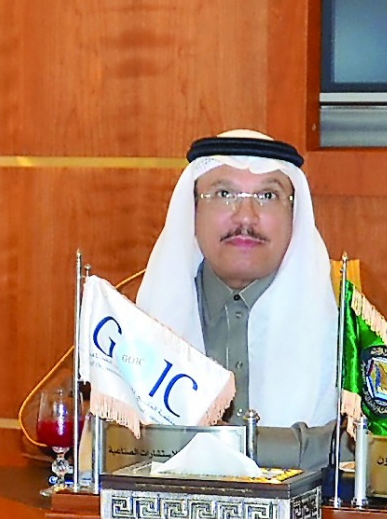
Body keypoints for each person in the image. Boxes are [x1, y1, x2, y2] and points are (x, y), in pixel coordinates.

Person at [133, 128, 340, 470]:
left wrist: (212, 447)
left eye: (267, 196)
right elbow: (108, 442)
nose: (245, 217)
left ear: (294, 215)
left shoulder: (347, 318)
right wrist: (297, 446)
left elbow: (370, 451)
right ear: (193, 211)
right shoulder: (139, 315)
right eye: (224, 193)